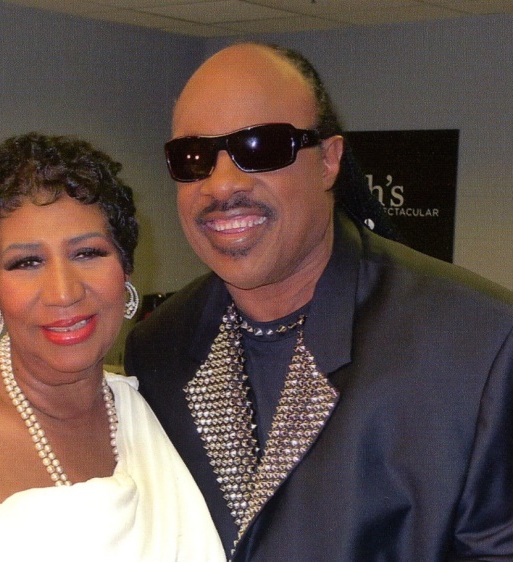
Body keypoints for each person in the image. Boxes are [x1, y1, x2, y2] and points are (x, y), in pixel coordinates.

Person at [124, 42, 513, 561]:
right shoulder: (159, 349)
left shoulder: (478, 344)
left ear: (329, 162)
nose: (221, 185)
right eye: (193, 157)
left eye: (260, 147)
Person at [0, 133, 224, 561]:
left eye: (87, 253)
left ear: (125, 269)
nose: (63, 293)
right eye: (27, 262)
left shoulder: (156, 408)